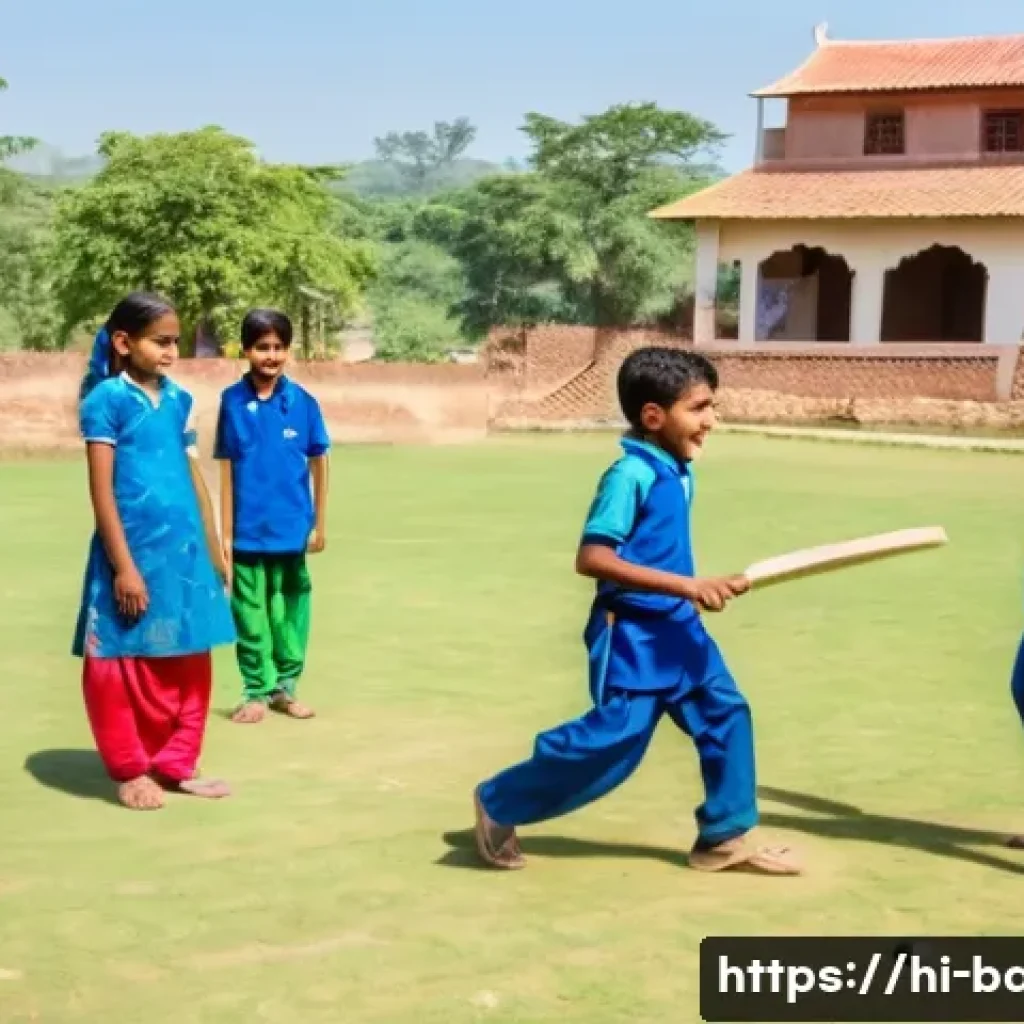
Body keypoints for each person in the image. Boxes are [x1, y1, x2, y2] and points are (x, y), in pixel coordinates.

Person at [472, 346, 801, 875]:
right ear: (653, 416)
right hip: (634, 637)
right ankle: (499, 800)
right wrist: (690, 586)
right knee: (615, 742)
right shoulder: (629, 475)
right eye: (700, 408)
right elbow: (593, 558)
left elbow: (660, 550)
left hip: (682, 632)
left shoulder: (679, 469)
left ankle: (722, 837)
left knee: (727, 715)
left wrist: (696, 591)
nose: (711, 420)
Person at [72, 292, 237, 811]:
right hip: (132, 552)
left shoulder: (179, 400)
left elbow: (193, 476)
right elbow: (101, 490)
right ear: (124, 342)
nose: (170, 352)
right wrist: (124, 567)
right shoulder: (106, 401)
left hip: (183, 553)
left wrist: (214, 549)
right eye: (160, 341)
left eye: (175, 342)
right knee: (118, 659)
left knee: (190, 653)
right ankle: (129, 767)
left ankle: (176, 762)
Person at [214, 309, 331, 724]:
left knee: (290, 611)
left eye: (279, 347)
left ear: (288, 350)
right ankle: (254, 691)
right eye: (263, 347)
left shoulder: (303, 403)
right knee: (249, 612)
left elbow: (320, 461)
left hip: (292, 529)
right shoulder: (231, 402)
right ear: (246, 350)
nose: (271, 355)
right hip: (247, 534)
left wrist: (319, 522)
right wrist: (223, 536)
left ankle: (286, 687)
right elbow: (226, 470)